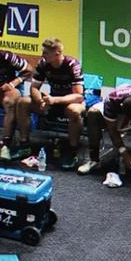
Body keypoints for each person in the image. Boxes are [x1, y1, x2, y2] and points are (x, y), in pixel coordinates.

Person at [16, 38, 85, 168]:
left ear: (57, 54)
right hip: (52, 100)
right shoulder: (43, 63)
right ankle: (24, 144)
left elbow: (78, 96)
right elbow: (34, 87)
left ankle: (72, 151)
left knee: (74, 110)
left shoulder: (73, 65)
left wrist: (55, 100)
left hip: (69, 101)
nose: (42, 55)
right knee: (23, 102)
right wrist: (40, 101)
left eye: (46, 53)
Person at [77, 84, 131, 184]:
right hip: (117, 109)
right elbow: (112, 130)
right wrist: (124, 153)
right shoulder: (111, 101)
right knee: (93, 113)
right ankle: (94, 159)